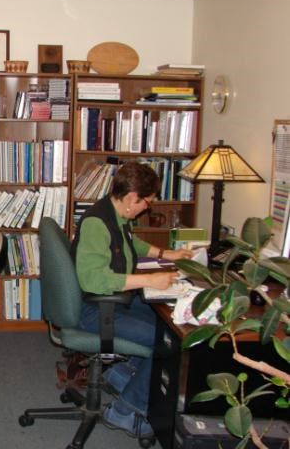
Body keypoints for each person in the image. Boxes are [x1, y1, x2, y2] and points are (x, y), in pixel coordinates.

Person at [71, 161, 193, 439]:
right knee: (169, 344)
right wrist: (150, 280)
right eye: (146, 202)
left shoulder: (116, 214)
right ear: (130, 198)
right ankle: (126, 410)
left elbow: (130, 243)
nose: (148, 207)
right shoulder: (96, 223)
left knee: (167, 324)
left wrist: (165, 254)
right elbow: (93, 280)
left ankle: (122, 376)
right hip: (94, 309)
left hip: (114, 299)